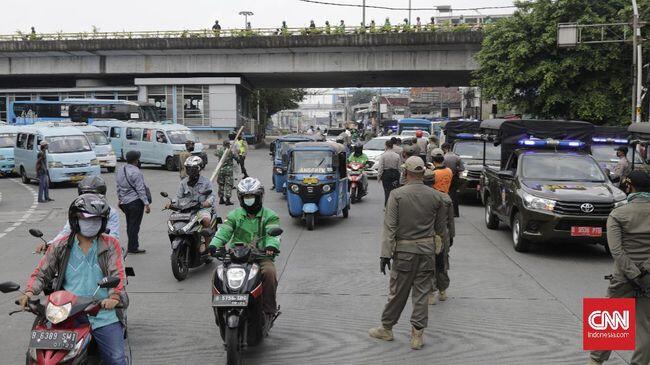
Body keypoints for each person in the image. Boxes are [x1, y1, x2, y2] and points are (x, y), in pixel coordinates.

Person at [19, 194, 128, 365]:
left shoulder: (111, 244)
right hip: (66, 313)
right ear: (75, 220)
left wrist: (114, 298)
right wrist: (29, 292)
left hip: (101, 312)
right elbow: (42, 272)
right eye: (87, 218)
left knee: (116, 359)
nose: (92, 223)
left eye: (97, 219)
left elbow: (118, 275)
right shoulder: (60, 245)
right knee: (40, 357)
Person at [368, 157, 446, 350]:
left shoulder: (397, 195)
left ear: (407, 173)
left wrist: (385, 254)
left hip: (404, 253)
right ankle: (417, 337)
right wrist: (440, 257)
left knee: (397, 293)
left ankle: (386, 328)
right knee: (421, 294)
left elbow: (390, 228)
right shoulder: (436, 196)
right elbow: (440, 230)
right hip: (427, 252)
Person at [588, 171, 650, 365]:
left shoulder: (618, 213)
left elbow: (616, 250)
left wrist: (633, 273)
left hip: (623, 277)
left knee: (610, 321)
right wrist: (646, 270)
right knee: (645, 325)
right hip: (649, 278)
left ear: (630, 187)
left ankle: (596, 361)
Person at [209, 177, 281, 322]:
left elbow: (273, 234)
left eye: (252, 196)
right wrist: (214, 245)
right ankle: (218, 311)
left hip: (260, 256)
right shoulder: (234, 215)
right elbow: (224, 232)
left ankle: (268, 311)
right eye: (246, 197)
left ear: (259, 196)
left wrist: (271, 247)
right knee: (217, 275)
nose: (249, 200)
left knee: (269, 273)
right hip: (236, 257)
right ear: (241, 198)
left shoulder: (270, 216)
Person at [39, 176, 121, 253]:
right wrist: (51, 244)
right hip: (78, 251)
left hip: (102, 252)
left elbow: (113, 236)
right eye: (86, 194)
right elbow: (66, 231)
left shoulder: (110, 212)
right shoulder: (77, 211)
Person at [170, 156, 216, 252]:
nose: (190, 171)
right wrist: (172, 204)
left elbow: (211, 196)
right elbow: (178, 197)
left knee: (206, 221)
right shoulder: (183, 183)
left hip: (201, 209)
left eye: (193, 168)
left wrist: (206, 202)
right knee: (173, 221)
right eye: (188, 168)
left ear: (199, 169)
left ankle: (208, 248)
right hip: (186, 209)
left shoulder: (206, 182)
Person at [423, 171, 455, 305]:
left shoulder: (420, 197)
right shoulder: (445, 197)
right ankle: (442, 291)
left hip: (425, 235)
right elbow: (450, 221)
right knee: (442, 263)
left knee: (427, 264)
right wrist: (451, 235)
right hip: (442, 235)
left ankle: (430, 293)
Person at [116, 151, 150, 254]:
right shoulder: (136, 172)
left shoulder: (120, 169)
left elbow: (118, 186)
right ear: (136, 160)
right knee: (134, 225)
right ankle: (132, 247)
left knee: (130, 224)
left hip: (125, 202)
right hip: (135, 202)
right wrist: (146, 204)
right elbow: (140, 189)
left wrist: (120, 199)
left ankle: (132, 245)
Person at [442, 143, 464, 217]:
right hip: (454, 177)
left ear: (444, 149)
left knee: (445, 193)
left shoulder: (444, 157)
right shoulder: (457, 157)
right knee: (454, 194)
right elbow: (462, 169)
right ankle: (455, 213)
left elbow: (441, 167)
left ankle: (446, 212)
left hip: (445, 177)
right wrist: (455, 169)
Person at [377, 139, 402, 206]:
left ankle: (387, 205)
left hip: (386, 174)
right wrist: (400, 177)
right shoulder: (397, 156)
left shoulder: (383, 155)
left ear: (386, 146)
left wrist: (379, 177)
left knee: (387, 191)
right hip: (395, 174)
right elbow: (399, 168)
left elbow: (381, 167)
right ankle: (395, 204)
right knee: (395, 190)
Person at [214, 140, 235, 206]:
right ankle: (227, 200)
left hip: (221, 169)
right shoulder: (230, 151)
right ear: (228, 144)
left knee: (221, 184)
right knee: (228, 185)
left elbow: (215, 153)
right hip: (228, 170)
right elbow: (236, 157)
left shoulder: (220, 150)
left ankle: (221, 199)